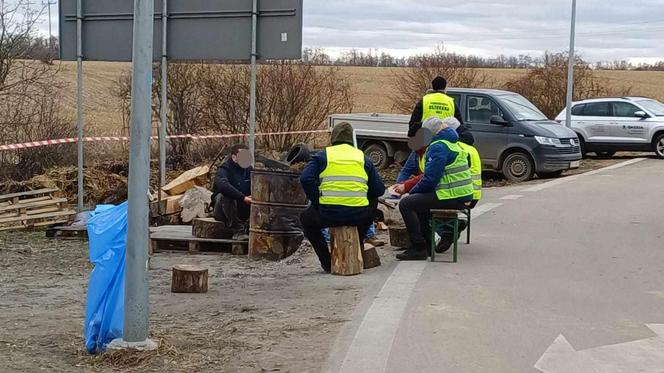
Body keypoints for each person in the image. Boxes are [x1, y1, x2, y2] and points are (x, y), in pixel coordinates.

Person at [300, 122, 386, 272]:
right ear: (351, 140)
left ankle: (326, 262)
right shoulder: (363, 158)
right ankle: (357, 244)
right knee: (373, 201)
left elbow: (305, 178)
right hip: (358, 216)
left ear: (332, 139)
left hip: (328, 214)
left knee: (306, 220)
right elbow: (379, 190)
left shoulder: (321, 156)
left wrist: (317, 201)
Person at [397, 117, 474, 261]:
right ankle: (427, 245)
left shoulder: (438, 146)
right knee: (419, 203)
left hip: (451, 195)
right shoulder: (452, 143)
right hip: (461, 194)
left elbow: (430, 180)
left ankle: (419, 247)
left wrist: (409, 192)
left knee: (407, 204)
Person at [435, 117, 483, 253]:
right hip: (473, 195)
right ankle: (451, 227)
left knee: (421, 204)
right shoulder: (470, 148)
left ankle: (447, 231)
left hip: (463, 195)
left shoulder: (457, 148)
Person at [211, 144, 252, 237]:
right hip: (222, 211)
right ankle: (237, 229)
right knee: (225, 195)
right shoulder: (224, 169)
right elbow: (223, 186)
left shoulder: (249, 170)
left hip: (242, 208)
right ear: (234, 157)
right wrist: (243, 197)